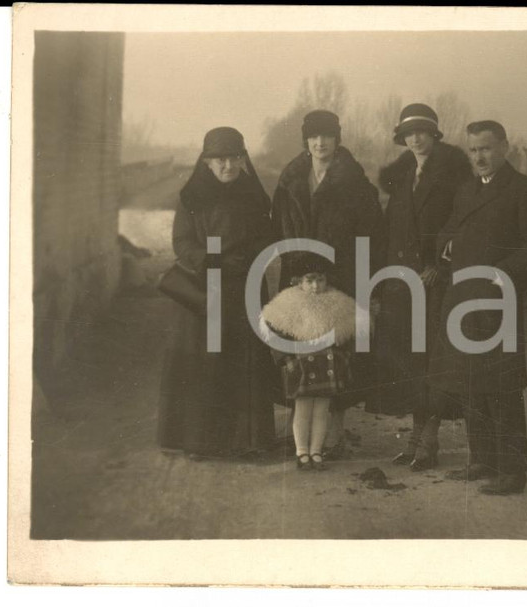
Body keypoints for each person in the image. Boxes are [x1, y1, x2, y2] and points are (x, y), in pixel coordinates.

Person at [427, 120, 527, 495]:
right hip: (463, 299)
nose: (479, 157)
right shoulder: (466, 190)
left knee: (501, 385)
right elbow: (446, 231)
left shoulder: (524, 190)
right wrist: (447, 245)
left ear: (505, 147)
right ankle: (482, 458)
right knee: (470, 382)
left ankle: (512, 471)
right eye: (473, 150)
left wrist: (504, 274)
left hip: (497, 300)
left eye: (486, 148)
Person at [157, 126, 278, 459]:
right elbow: (181, 242)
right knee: (204, 364)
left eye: (234, 158)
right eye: (220, 159)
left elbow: (267, 236)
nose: (228, 165)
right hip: (204, 291)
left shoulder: (254, 196)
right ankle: (201, 441)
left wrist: (247, 257)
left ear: (243, 159)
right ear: (207, 162)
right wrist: (210, 261)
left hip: (244, 287)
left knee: (244, 364)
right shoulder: (192, 196)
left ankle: (246, 441)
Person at [270, 110, 385, 460]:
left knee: (335, 357)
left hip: (340, 280)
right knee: (299, 357)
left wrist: (367, 287)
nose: (320, 143)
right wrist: (292, 274)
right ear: (306, 140)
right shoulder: (290, 179)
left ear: (338, 139)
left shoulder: (354, 182)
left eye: (327, 136)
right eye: (314, 136)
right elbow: (278, 230)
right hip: (298, 281)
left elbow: (372, 236)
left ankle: (332, 434)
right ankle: (300, 435)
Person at [369, 103, 473, 471]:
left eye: (422, 133)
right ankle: (415, 436)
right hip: (402, 283)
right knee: (410, 360)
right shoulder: (401, 178)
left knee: (435, 360)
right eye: (409, 134)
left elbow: (464, 225)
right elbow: (389, 232)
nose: (415, 140)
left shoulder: (456, 174)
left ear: (434, 135)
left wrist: (441, 267)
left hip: (436, 284)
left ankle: (430, 437)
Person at [259, 255, 367, 471]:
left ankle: (316, 451)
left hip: (326, 366)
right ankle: (302, 452)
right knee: (302, 409)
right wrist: (286, 358)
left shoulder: (339, 303)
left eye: (320, 280)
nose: (315, 286)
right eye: (309, 281)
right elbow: (272, 329)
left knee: (321, 409)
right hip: (301, 367)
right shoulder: (287, 303)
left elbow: (349, 333)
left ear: (327, 281)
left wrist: (343, 358)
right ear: (299, 281)